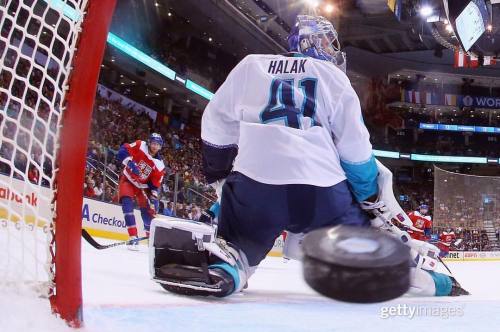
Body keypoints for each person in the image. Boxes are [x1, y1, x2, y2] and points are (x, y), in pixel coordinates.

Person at [150, 15, 467, 297]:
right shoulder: (333, 78)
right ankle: (433, 283)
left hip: (255, 184)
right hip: (321, 190)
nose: (333, 49)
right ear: (313, 43)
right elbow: (355, 153)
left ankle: (228, 270)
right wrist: (369, 199)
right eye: (329, 42)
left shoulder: (250, 65)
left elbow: (216, 124)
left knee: (238, 250)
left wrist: (221, 177)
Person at [117, 133, 165, 249]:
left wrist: (153, 195)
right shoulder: (140, 145)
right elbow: (122, 151)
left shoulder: (159, 164)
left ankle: (150, 238)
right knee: (127, 205)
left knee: (148, 214)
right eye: (153, 143)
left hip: (143, 187)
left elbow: (154, 184)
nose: (155, 147)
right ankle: (133, 237)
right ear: (149, 142)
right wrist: (130, 163)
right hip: (128, 179)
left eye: (158, 145)